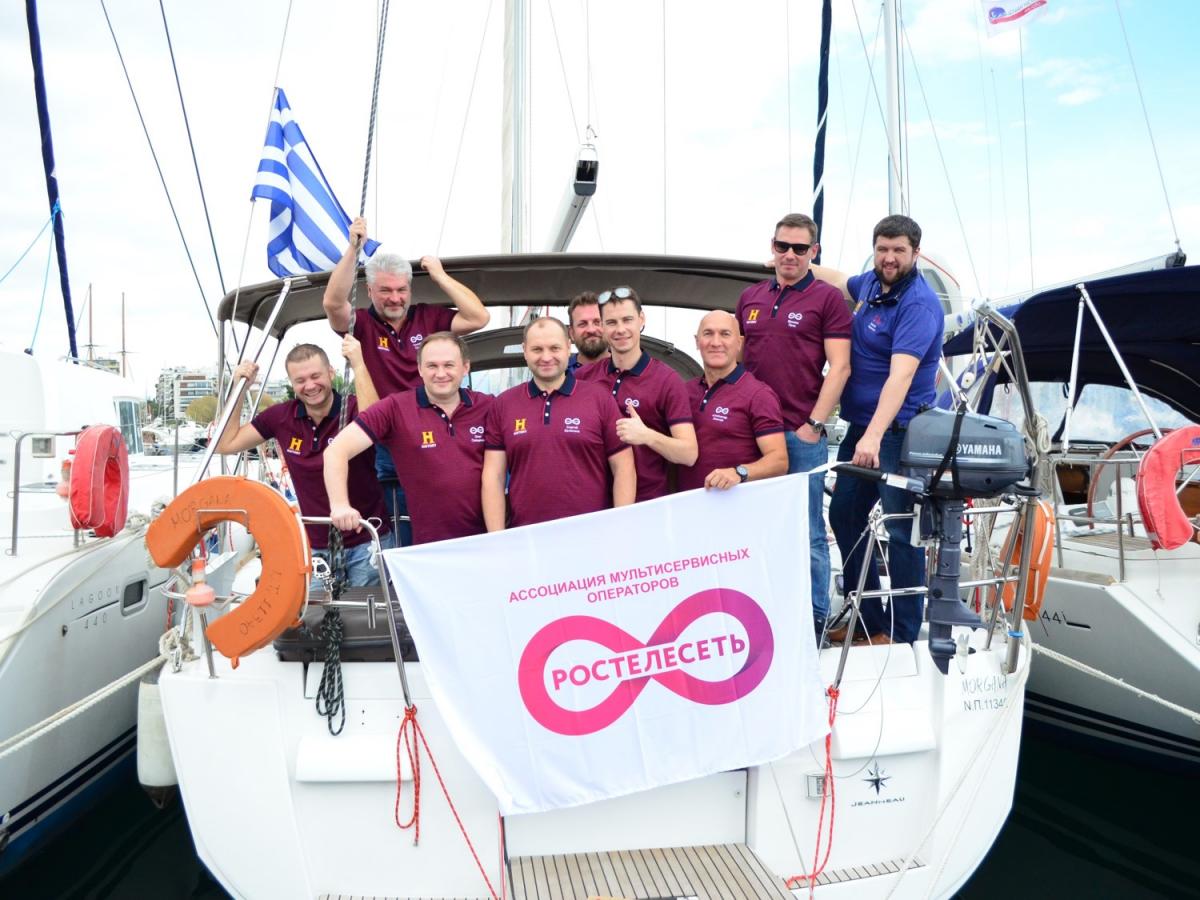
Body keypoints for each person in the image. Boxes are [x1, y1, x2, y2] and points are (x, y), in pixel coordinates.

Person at [812, 214, 944, 645]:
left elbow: (900, 377)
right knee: (844, 514)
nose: (889, 258)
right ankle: (869, 620)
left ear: (915, 253)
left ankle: (902, 634)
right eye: (882, 249)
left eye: (898, 251)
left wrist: (873, 435)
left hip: (899, 432)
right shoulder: (871, 283)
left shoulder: (918, 305)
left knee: (901, 530)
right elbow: (838, 279)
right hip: (861, 427)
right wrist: (793, 262)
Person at [322, 216, 490, 544]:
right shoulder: (361, 324)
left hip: (442, 428)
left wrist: (440, 275)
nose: (395, 298)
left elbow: (478, 316)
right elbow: (332, 303)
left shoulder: (429, 316)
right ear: (369, 290)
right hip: (390, 437)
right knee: (403, 522)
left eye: (401, 290)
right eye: (385, 291)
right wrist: (352, 250)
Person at [736, 213, 852, 635]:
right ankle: (761, 617)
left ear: (813, 252)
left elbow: (840, 367)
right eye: (782, 246)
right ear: (772, 247)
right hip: (751, 436)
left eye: (799, 248)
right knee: (753, 530)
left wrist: (814, 425)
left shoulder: (827, 300)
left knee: (808, 532)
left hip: (800, 434)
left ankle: (815, 620)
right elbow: (737, 363)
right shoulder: (749, 297)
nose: (789, 254)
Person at [215, 337, 393, 587]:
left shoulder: (354, 409)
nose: (310, 386)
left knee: (366, 611)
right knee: (317, 609)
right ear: (292, 383)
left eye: (315, 376)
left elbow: (377, 426)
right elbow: (226, 444)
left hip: (367, 541)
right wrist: (239, 388)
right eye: (300, 380)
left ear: (331, 372)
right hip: (316, 546)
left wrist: (359, 365)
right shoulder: (281, 417)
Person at [324, 332, 493, 545]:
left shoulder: (489, 406)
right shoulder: (395, 409)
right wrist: (340, 504)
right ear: (420, 369)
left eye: (449, 365)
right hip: (429, 547)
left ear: (465, 367)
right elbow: (335, 451)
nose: (441, 373)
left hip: (489, 540)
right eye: (432, 366)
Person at [482, 317, 635, 529]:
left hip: (593, 535)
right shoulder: (504, 404)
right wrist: (497, 538)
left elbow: (624, 467)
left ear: (568, 347)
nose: (546, 357)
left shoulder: (599, 399)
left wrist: (621, 527)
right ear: (525, 351)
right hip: (526, 537)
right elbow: (494, 477)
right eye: (537, 349)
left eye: (554, 348)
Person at [577, 286, 697, 501]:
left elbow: (689, 454)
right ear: (602, 326)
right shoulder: (583, 378)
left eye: (627, 320)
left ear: (641, 319)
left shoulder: (666, 380)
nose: (620, 329)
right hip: (591, 504)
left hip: (646, 504)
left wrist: (647, 436)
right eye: (611, 322)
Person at [677, 311, 787, 492]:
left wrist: (739, 472)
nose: (716, 342)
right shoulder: (683, 391)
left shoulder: (759, 394)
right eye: (708, 333)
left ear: (739, 343)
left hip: (733, 503)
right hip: (686, 503)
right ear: (697, 341)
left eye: (725, 334)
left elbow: (779, 461)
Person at [566, 291, 608, 370]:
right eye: (582, 324)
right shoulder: (561, 372)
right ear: (571, 333)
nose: (591, 330)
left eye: (597, 322)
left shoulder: (625, 369)